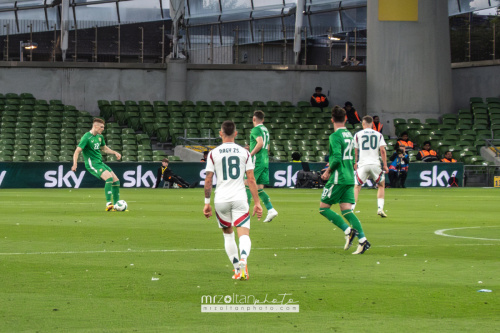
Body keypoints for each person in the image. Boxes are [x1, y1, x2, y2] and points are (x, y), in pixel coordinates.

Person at [203, 120, 263, 280]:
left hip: (221, 199)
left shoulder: (213, 153)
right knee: (244, 235)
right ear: (235, 134)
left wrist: (206, 203)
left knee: (228, 235)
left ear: (220, 134)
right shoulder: (244, 153)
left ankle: (237, 268)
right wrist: (257, 203)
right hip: (239, 198)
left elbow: (208, 179)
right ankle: (244, 259)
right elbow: (251, 179)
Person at [319, 105, 371, 255]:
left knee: (323, 208)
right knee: (347, 210)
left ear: (332, 119)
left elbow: (335, 159)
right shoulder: (349, 134)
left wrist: (328, 171)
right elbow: (353, 156)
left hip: (338, 177)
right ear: (346, 119)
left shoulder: (335, 136)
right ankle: (363, 241)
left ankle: (348, 231)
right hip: (349, 176)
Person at [71, 118, 122, 211]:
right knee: (109, 178)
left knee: (116, 181)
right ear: (95, 126)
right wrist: (75, 164)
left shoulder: (100, 137)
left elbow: (105, 149)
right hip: (92, 164)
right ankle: (108, 204)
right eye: (101, 127)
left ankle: (117, 205)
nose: (103, 129)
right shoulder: (86, 137)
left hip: (100, 162)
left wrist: (115, 152)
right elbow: (77, 151)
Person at [353, 116, 389, 218]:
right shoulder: (378, 134)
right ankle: (380, 208)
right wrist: (385, 165)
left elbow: (355, 150)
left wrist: (355, 162)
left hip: (363, 164)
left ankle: (351, 209)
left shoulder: (358, 135)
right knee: (381, 185)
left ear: (363, 124)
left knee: (357, 187)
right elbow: (382, 150)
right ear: (372, 124)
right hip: (375, 164)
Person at [246, 110, 278, 223]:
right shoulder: (266, 130)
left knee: (247, 184)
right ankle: (271, 209)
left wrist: (250, 154)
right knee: (258, 188)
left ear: (254, 119)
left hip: (257, 161)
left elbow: (259, 143)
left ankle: (244, 213)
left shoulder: (255, 129)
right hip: (265, 161)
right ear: (263, 119)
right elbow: (267, 147)